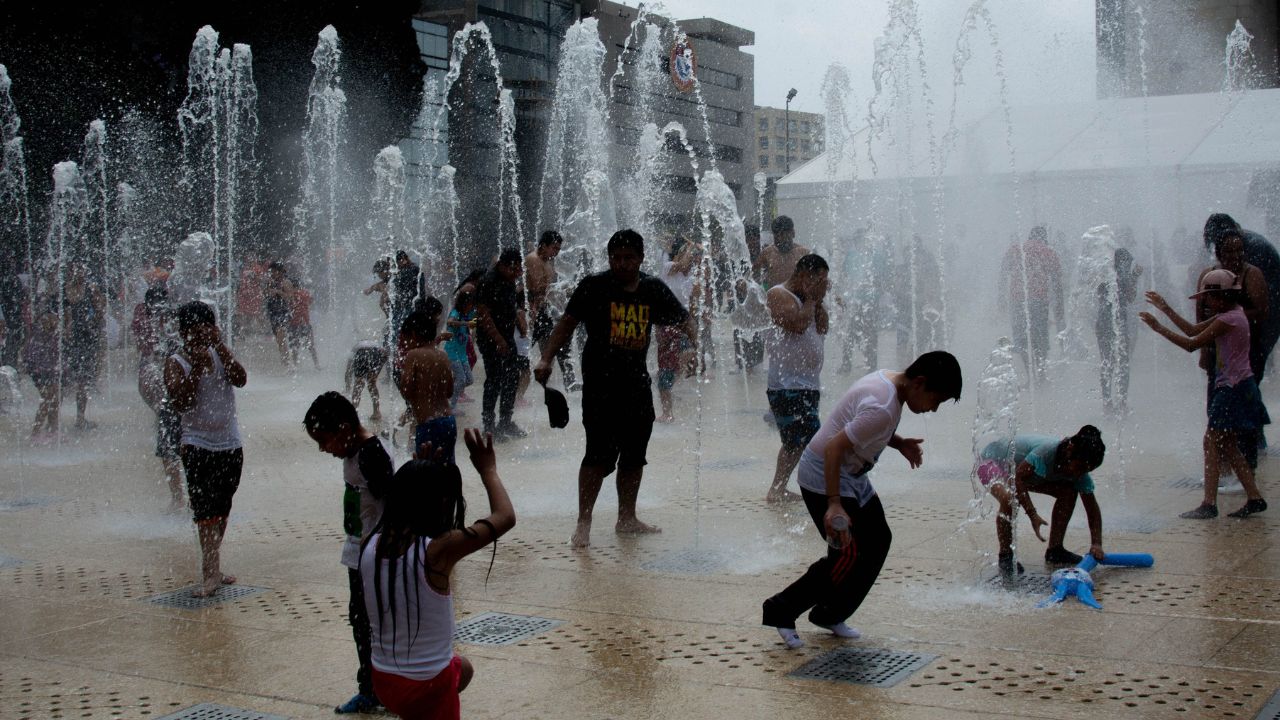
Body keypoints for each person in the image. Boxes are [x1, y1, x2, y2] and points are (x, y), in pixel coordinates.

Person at [762, 351, 962, 648]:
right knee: (847, 554)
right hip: (824, 476)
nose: (934, 409)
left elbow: (863, 425)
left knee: (878, 540)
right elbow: (833, 448)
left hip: (851, 475)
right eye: (937, 400)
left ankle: (830, 613)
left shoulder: (890, 381)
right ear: (920, 383)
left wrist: (897, 442)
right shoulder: (882, 405)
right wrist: (833, 503)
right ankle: (781, 609)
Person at [533, 229, 697, 547]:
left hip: (636, 387)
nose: (621, 264)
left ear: (640, 258)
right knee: (596, 456)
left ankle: (627, 518)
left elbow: (684, 318)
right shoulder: (594, 286)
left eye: (628, 258)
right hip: (600, 387)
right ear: (609, 258)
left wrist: (694, 346)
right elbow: (566, 323)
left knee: (634, 456)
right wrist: (546, 358)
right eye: (616, 258)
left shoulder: (652, 288)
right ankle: (584, 521)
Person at [360, 429, 515, 720]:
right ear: (439, 505)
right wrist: (488, 470)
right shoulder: (437, 552)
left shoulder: (371, 542)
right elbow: (505, 517)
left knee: (463, 668)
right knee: (445, 678)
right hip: (426, 686)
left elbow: (405, 496)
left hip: (382, 680)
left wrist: (420, 472)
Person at [1141, 270, 1269, 519]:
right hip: (1241, 386)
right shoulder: (1233, 313)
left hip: (1231, 389)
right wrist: (1164, 307)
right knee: (1229, 445)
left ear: (1220, 296)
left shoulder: (1227, 320)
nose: (1205, 303)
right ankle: (1254, 497)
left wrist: (1158, 328)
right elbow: (1191, 330)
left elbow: (1191, 344)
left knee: (1211, 442)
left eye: (1208, 298)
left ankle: (1209, 504)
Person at [304, 391, 395, 715]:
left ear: (343, 429)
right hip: (359, 553)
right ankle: (370, 688)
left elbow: (393, 505)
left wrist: (385, 550)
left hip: (375, 555)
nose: (323, 449)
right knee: (361, 619)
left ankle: (382, 688)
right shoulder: (353, 453)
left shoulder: (371, 454)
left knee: (376, 622)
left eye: (324, 440)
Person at [163, 301, 247, 597]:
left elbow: (241, 378)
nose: (201, 336)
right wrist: (197, 368)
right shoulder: (176, 362)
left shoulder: (220, 352)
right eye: (195, 331)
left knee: (223, 507)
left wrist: (220, 346)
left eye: (207, 329)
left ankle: (215, 565)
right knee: (205, 510)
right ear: (184, 333)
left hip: (230, 443)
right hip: (197, 444)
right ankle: (210, 572)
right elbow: (181, 403)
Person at [975, 427, 1108, 577]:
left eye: (1087, 470)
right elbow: (1018, 479)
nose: (1080, 473)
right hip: (992, 462)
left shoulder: (1080, 472)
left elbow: (1092, 508)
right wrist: (1032, 514)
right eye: (1079, 467)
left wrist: (1097, 544)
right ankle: (1006, 556)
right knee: (1009, 498)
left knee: (1069, 491)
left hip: (1020, 473)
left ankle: (1055, 550)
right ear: (1070, 450)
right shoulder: (1045, 452)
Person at [1199, 227, 1271, 468]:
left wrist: (1228, 319)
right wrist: (1205, 348)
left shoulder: (1252, 275)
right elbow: (1199, 318)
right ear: (1218, 253)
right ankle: (1225, 465)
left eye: (1240, 250)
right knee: (1217, 409)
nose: (1235, 256)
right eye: (1229, 251)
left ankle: (1247, 462)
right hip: (1218, 355)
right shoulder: (1209, 276)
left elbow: (1262, 311)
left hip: (1246, 354)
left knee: (1244, 411)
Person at [764, 253, 830, 503]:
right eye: (820, 280)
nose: (824, 285)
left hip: (808, 384)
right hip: (786, 384)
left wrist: (818, 301)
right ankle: (824, 490)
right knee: (814, 439)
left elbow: (822, 327)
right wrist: (812, 299)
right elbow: (797, 324)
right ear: (804, 276)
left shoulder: (811, 300)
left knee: (794, 442)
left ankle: (777, 489)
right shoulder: (778, 294)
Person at [133, 287, 185, 511]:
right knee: (168, 447)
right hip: (170, 392)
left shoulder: (174, 322)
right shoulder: (151, 321)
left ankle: (179, 497)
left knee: (174, 447)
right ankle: (177, 497)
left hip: (178, 393)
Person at [1001, 226, 1064, 383]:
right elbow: (1057, 282)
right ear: (1044, 238)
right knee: (1040, 337)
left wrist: (1000, 297)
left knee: (1022, 339)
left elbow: (1003, 272)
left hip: (1018, 300)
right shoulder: (1048, 252)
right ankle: (1041, 373)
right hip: (1039, 301)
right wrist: (1059, 306)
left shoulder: (1015, 249)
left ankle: (1030, 376)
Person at [474, 249, 524, 439]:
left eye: (519, 270)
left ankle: (506, 421)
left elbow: (511, 307)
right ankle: (489, 425)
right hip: (490, 339)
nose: (516, 273)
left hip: (507, 336)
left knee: (512, 378)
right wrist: (498, 340)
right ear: (502, 265)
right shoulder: (488, 281)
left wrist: (519, 321)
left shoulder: (509, 280)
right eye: (513, 269)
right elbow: (483, 314)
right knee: (494, 379)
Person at [396, 309, 455, 464]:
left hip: (428, 424)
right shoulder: (443, 356)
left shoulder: (413, 355)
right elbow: (449, 392)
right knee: (446, 468)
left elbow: (406, 391)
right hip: (448, 421)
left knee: (426, 472)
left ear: (414, 335)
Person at [526, 230, 577, 389]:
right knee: (522, 350)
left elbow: (548, 290)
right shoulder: (533, 259)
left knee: (560, 341)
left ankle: (568, 380)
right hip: (532, 311)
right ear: (543, 245)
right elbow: (536, 288)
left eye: (558, 249)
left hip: (545, 311)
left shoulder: (548, 261)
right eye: (554, 248)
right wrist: (560, 288)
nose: (556, 253)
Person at [1096, 248, 1142, 416]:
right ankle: (1121, 403)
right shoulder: (1122, 275)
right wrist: (1135, 276)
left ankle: (1107, 403)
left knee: (1107, 363)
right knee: (1122, 363)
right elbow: (1130, 296)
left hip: (1102, 323)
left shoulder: (1105, 275)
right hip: (1116, 324)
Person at [656, 237, 697, 423]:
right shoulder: (668, 268)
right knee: (665, 369)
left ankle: (672, 386)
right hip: (666, 325)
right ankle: (667, 413)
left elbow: (693, 305)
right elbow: (682, 263)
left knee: (688, 355)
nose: (691, 260)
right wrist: (690, 247)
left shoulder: (690, 277)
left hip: (683, 326)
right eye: (688, 256)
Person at [63, 265, 106, 431]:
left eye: (81, 270)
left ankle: (80, 418)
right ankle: (55, 422)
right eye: (75, 270)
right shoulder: (65, 290)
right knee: (66, 381)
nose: (78, 273)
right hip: (71, 341)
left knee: (83, 381)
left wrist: (97, 322)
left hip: (86, 339)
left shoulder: (90, 289)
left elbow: (100, 311)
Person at [22, 305, 61, 445]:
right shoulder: (39, 333)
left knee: (55, 397)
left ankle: (53, 430)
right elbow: (29, 352)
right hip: (38, 368)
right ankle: (35, 433)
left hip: (50, 368)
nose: (56, 323)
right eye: (53, 321)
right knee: (47, 398)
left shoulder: (54, 333)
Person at [754, 215, 809, 289]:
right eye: (776, 237)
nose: (780, 240)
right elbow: (753, 275)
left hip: (796, 298)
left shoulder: (803, 253)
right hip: (774, 298)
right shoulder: (767, 253)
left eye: (783, 235)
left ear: (793, 233)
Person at [444, 289, 476, 409]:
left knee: (469, 379)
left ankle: (447, 391)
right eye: (470, 305)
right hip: (452, 352)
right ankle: (451, 406)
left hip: (462, 354)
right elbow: (450, 322)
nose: (471, 307)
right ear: (464, 304)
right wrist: (466, 324)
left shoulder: (467, 314)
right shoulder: (455, 313)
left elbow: (476, 320)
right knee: (461, 379)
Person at [345, 340, 389, 423]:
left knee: (358, 384)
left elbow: (348, 371)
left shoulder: (356, 347)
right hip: (378, 354)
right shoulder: (376, 345)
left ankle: (354, 412)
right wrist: (377, 371)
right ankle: (376, 412)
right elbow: (386, 355)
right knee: (371, 384)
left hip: (362, 354)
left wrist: (347, 387)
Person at [264, 261, 296, 367]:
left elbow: (290, 297)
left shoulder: (285, 282)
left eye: (273, 271)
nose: (272, 273)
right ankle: (285, 361)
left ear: (280, 272)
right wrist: (268, 291)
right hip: (273, 312)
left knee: (281, 335)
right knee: (279, 340)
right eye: (271, 271)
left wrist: (278, 292)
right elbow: (266, 294)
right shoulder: (271, 281)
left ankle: (288, 362)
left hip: (283, 312)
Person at [289, 279, 320, 370]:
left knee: (295, 345)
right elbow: (311, 301)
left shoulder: (293, 294)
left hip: (295, 324)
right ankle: (316, 364)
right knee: (310, 346)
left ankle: (295, 365)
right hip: (305, 323)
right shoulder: (305, 293)